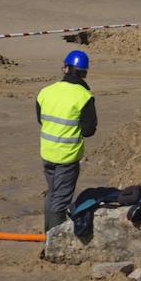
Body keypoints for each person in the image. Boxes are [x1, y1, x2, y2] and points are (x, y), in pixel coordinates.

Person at [36, 50, 97, 233]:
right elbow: (88, 130)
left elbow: (41, 119)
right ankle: (54, 240)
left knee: (52, 193)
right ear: (84, 72)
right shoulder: (83, 96)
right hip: (67, 157)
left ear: (66, 68)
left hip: (47, 152)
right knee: (60, 199)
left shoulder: (46, 92)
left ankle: (47, 234)